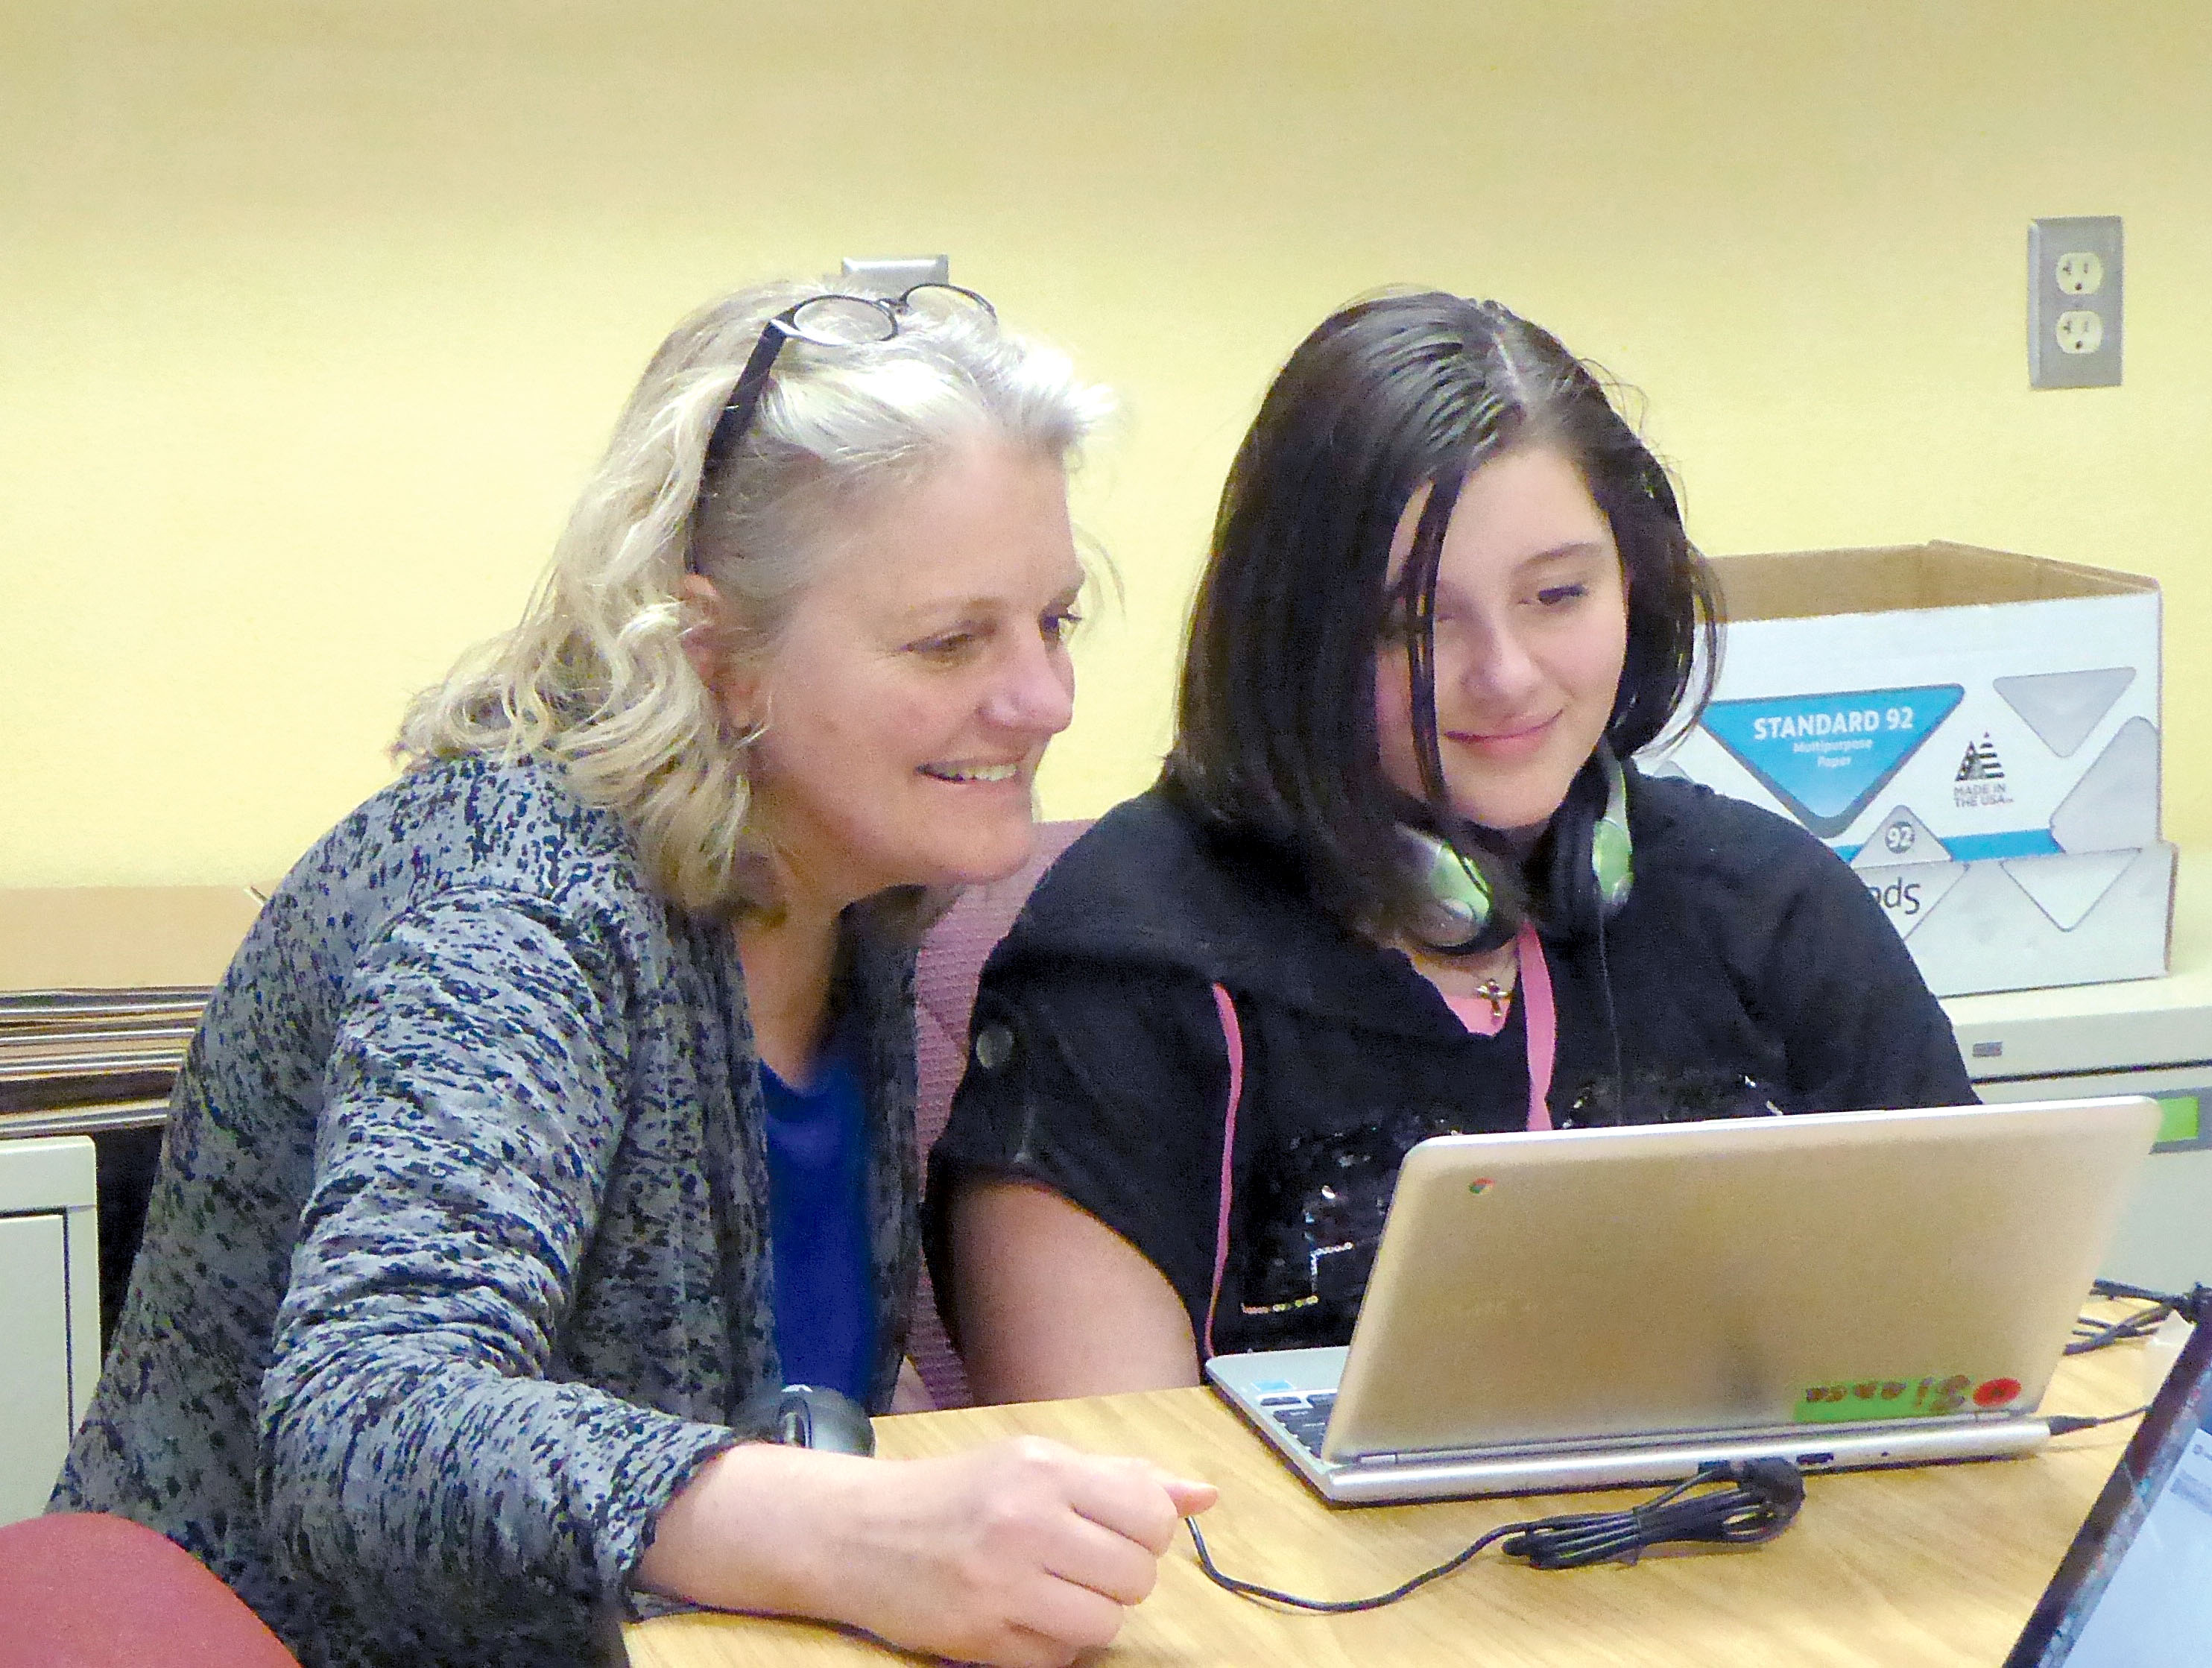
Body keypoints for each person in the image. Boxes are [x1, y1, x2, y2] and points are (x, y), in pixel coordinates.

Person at [54, 278, 1213, 1668]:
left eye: (1057, 622)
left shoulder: (859, 880)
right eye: (951, 640)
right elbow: (369, 1413)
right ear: (715, 653)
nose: (1044, 700)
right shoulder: (514, 904)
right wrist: (861, 1531)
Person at [928, 290, 1977, 1403]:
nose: (1508, 675)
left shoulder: (1771, 908)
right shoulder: (1127, 961)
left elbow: (1967, 1335)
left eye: (1559, 594)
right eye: (1416, 625)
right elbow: (1115, 1486)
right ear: (1297, 636)